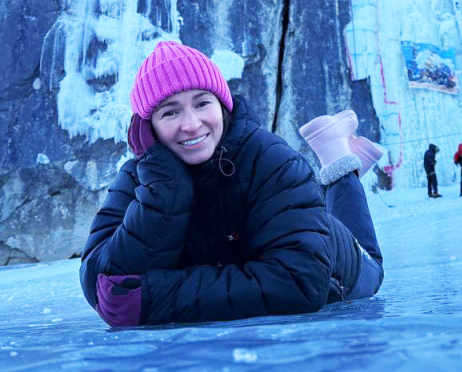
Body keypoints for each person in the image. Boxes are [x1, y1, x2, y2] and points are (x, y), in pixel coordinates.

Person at [80, 41, 384, 327]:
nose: (190, 124)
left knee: (370, 261)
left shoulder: (270, 159)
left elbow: (298, 282)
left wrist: (158, 299)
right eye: (170, 111)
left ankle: (340, 164)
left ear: (222, 106)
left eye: (202, 103)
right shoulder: (139, 175)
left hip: (340, 266)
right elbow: (103, 281)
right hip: (291, 228)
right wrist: (167, 188)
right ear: (148, 128)